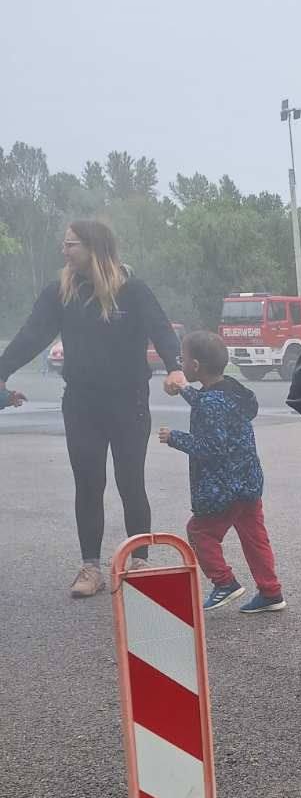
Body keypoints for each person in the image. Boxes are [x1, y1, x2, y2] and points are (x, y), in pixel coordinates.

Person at [0, 218, 183, 597]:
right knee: (88, 484)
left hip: (128, 400)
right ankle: (90, 568)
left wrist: (176, 367)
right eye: (64, 245)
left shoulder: (132, 290)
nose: (64, 251)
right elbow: (31, 335)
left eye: (71, 245)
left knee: (130, 481)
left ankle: (140, 563)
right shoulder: (60, 293)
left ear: (95, 249)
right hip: (81, 402)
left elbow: (161, 329)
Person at [159, 331, 285, 613]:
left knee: (200, 531)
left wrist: (174, 437)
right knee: (255, 537)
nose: (181, 361)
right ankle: (271, 591)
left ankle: (224, 582)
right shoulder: (231, 390)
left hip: (224, 489)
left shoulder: (209, 403)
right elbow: (211, 404)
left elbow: (211, 447)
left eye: (183, 357)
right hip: (248, 482)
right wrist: (183, 390)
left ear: (194, 367)